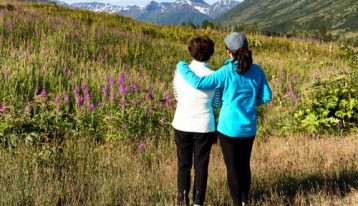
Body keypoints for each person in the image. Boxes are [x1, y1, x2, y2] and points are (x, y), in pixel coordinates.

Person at [176, 32, 272, 206]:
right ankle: (244, 200)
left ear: (229, 51)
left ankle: (237, 203)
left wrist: (182, 66)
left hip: (228, 127)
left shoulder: (226, 71)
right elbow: (266, 96)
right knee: (244, 165)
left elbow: (199, 83)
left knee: (232, 168)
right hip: (249, 127)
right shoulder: (257, 71)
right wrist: (249, 104)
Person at [172, 36, 221, 206]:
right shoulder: (215, 76)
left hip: (182, 122)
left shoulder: (180, 72)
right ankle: (198, 202)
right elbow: (216, 103)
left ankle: (182, 200)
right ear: (211, 54)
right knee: (201, 167)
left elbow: (176, 96)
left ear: (190, 52)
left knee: (183, 165)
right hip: (204, 126)